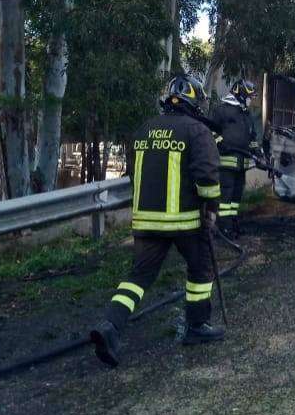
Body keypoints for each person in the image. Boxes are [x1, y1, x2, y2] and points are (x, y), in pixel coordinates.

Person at [89, 75, 224, 367]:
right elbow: (207, 178)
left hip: (147, 222)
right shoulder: (197, 131)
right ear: (193, 101)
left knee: (139, 277)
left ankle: (110, 325)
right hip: (186, 222)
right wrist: (212, 209)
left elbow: (134, 174)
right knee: (200, 269)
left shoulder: (144, 130)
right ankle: (197, 326)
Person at [209, 79, 259, 238]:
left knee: (236, 197)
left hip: (242, 163)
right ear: (241, 94)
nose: (251, 100)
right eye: (249, 96)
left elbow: (252, 137)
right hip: (226, 163)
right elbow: (210, 130)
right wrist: (220, 143)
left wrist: (258, 152)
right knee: (226, 197)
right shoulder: (222, 110)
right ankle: (223, 227)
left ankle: (233, 223)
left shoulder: (246, 114)